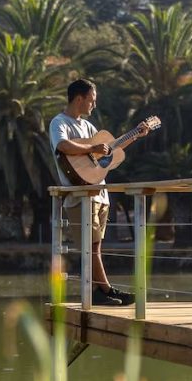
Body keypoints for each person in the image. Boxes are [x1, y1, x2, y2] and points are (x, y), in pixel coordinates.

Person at [49, 79, 148, 306]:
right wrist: (92, 148)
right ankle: (106, 289)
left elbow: (108, 151)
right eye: (92, 100)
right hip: (80, 195)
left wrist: (136, 134)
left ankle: (99, 292)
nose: (94, 105)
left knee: (95, 246)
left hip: (100, 193)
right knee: (90, 246)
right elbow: (63, 146)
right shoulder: (59, 122)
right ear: (80, 98)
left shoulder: (88, 127)